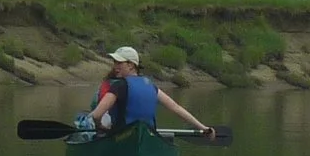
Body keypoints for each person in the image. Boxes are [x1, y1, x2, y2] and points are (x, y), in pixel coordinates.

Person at [79, 46, 212, 138]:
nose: (115, 67)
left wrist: (100, 127)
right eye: (115, 62)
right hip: (149, 134)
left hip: (120, 136)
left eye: (119, 63)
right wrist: (203, 128)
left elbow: (96, 115)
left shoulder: (119, 86)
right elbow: (176, 108)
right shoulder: (151, 86)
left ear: (131, 65)